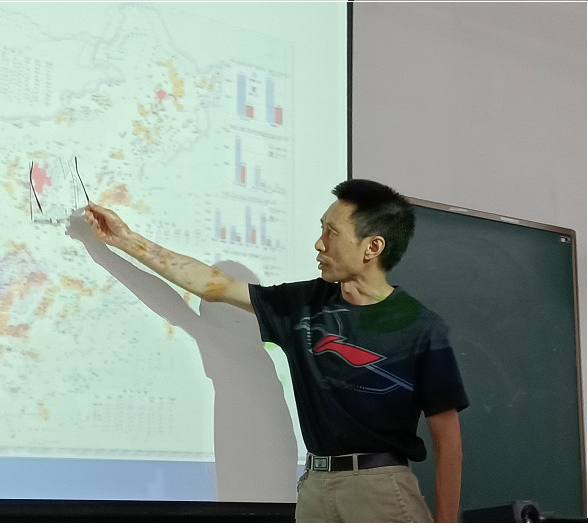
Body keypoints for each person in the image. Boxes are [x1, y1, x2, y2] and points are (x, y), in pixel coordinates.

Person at [84, 179, 469, 522]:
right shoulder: (302, 304)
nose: (319, 243)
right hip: (315, 488)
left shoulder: (421, 326)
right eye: (321, 228)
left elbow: (448, 441)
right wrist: (125, 239)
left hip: (380, 489)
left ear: (372, 247)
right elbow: (212, 285)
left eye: (332, 232)